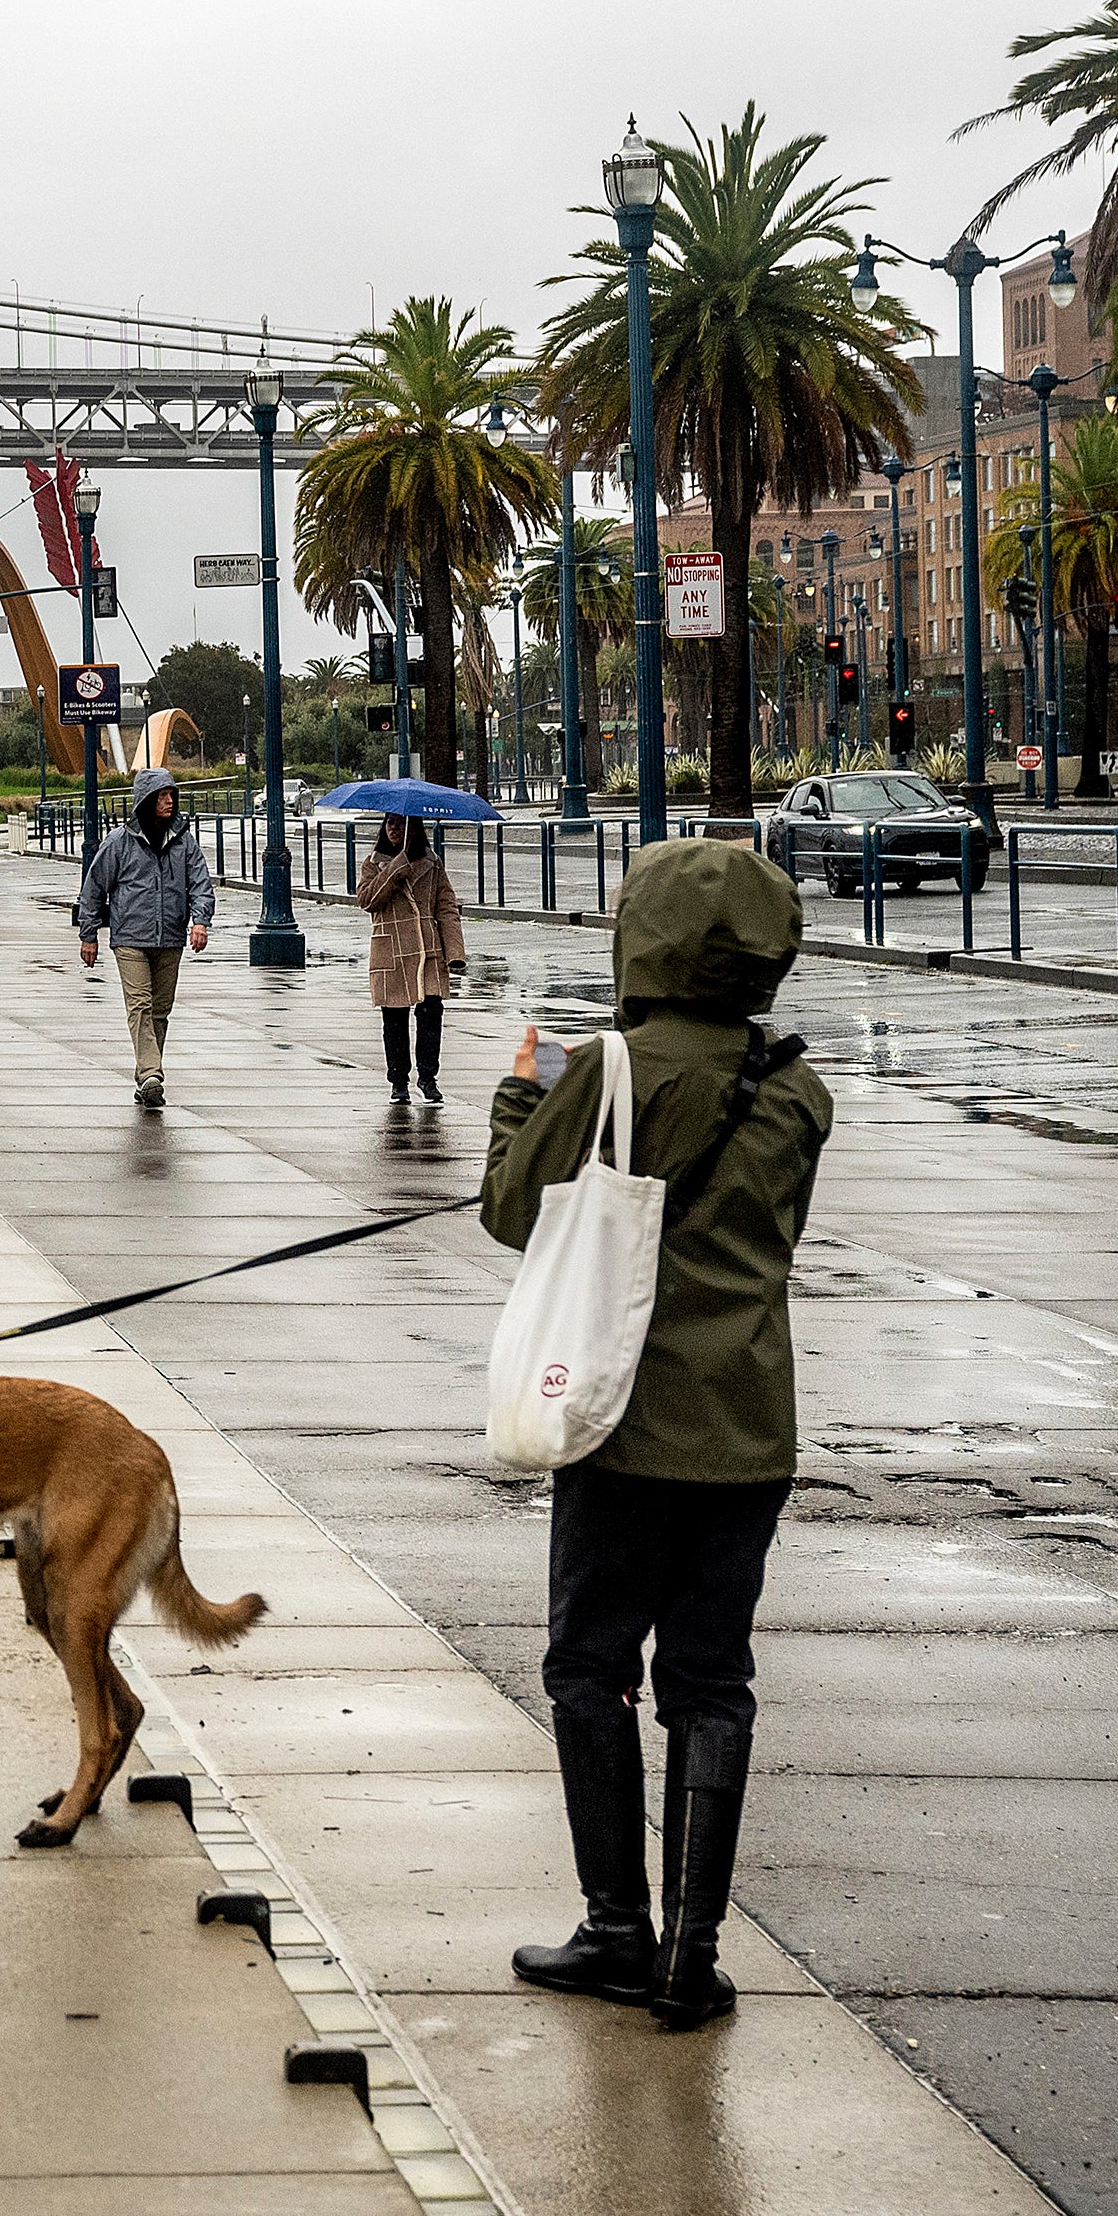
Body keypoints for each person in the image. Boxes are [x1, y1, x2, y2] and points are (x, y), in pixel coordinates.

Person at [483, 837, 830, 2033]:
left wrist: (523, 1096)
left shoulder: (616, 1068)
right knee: (710, 1681)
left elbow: (508, 1212)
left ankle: (616, 1927)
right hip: (748, 1428)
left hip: (620, 1421)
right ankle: (693, 1951)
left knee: (588, 1667)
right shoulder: (796, 1086)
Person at [72, 768, 213, 1109]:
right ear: (146, 801)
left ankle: (146, 1079)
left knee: (160, 1011)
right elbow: (93, 890)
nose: (169, 801)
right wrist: (88, 934)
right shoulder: (119, 843)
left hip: (170, 938)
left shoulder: (184, 842)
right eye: (163, 796)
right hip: (130, 938)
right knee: (140, 1006)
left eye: (171, 795)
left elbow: (200, 883)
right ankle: (152, 1073)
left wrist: (201, 921)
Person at [354, 814, 468, 1107]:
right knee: (394, 1020)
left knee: (431, 1015)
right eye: (389, 823)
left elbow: (447, 907)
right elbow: (367, 900)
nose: (394, 829)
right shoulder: (373, 863)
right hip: (390, 950)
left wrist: (454, 953)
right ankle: (399, 1082)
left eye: (401, 823)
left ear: (414, 828)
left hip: (427, 950)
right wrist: (395, 869)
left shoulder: (432, 863)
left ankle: (428, 1079)